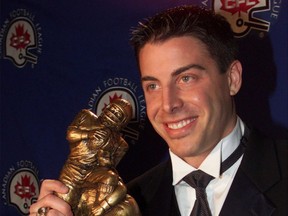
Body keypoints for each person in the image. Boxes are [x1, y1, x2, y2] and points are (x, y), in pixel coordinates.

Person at [29, 5, 288, 216]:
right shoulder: (125, 202)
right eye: (153, 85)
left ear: (232, 78)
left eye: (186, 78)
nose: (168, 104)